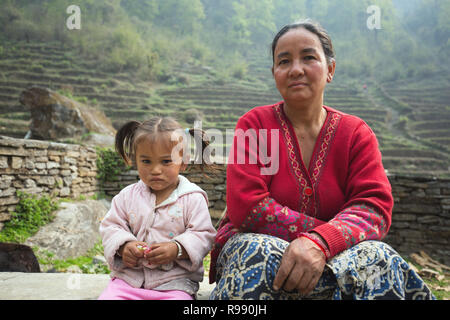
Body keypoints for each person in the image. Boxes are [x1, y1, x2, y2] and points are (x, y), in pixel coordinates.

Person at [209, 20, 435, 300]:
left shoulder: (356, 134)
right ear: (274, 73)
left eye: (308, 57)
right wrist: (325, 235)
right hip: (260, 249)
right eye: (284, 61)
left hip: (338, 254)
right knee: (258, 252)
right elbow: (248, 206)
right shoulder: (256, 125)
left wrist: (322, 243)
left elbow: (373, 207)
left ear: (330, 69)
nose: (295, 69)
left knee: (379, 259)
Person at [98, 117, 216, 300]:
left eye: (166, 161)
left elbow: (203, 234)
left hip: (175, 284)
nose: (155, 170)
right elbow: (111, 227)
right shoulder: (127, 196)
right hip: (128, 281)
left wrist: (177, 248)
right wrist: (124, 246)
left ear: (183, 162)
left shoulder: (192, 198)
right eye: (146, 161)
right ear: (135, 160)